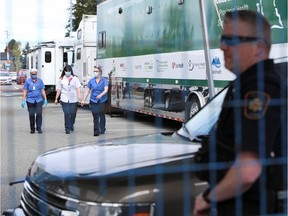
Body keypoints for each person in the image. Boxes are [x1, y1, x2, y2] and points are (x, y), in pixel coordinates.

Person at [193, 10, 286, 216]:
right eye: (223, 38)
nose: (222, 46)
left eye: (232, 40)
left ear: (259, 48)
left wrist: (208, 198)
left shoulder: (261, 88)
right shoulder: (244, 84)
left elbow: (247, 171)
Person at [81, 66, 109, 136]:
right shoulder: (91, 81)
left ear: (100, 73)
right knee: (95, 114)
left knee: (101, 114)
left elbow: (106, 89)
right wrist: (83, 99)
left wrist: (101, 95)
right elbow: (87, 91)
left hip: (102, 100)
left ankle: (102, 128)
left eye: (96, 71)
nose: (95, 73)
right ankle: (96, 130)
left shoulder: (104, 80)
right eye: (94, 71)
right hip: (93, 100)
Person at [54, 65, 81, 134]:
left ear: (71, 71)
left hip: (73, 99)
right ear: (64, 71)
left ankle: (71, 124)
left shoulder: (75, 78)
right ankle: (67, 128)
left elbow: (78, 88)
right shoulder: (61, 79)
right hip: (64, 98)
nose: (67, 72)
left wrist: (79, 97)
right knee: (66, 113)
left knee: (73, 113)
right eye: (66, 71)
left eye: (69, 71)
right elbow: (59, 89)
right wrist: (56, 98)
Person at [21, 68, 47, 134]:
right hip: (30, 100)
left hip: (39, 100)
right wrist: (23, 100)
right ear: (30, 74)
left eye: (35, 74)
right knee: (31, 114)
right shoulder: (28, 81)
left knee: (39, 114)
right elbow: (25, 91)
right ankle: (32, 128)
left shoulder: (40, 81)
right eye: (33, 74)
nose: (34, 75)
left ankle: (39, 127)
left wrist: (45, 98)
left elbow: (42, 90)